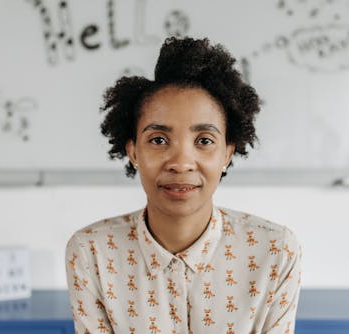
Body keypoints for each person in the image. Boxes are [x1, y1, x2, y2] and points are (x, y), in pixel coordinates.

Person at [66, 37, 302, 334]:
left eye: (204, 141)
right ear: (133, 151)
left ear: (227, 154)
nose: (181, 162)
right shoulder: (92, 252)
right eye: (158, 140)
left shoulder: (275, 250)